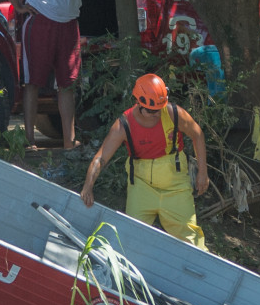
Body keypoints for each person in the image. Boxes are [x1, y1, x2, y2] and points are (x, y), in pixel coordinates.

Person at [80, 73, 209, 249]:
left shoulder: (173, 113)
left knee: (192, 241)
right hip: (141, 187)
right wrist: (88, 185)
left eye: (158, 109)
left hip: (176, 186)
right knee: (131, 239)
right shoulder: (124, 125)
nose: (156, 114)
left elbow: (198, 135)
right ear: (139, 103)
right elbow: (101, 158)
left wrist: (203, 172)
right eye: (150, 110)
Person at [2, 0, 90, 150]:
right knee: (33, 82)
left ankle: (69, 141)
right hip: (40, 20)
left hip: (69, 22)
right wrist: (19, 6)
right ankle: (29, 140)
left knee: (67, 83)